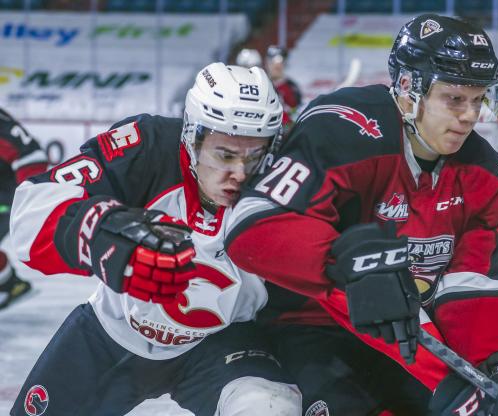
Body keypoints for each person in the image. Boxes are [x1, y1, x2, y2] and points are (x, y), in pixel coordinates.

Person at [225, 14, 498, 415]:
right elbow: (252, 228)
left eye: (477, 99)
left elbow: (471, 293)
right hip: (305, 323)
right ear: (407, 90)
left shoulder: (486, 176)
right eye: (454, 98)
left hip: (402, 335)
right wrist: (344, 265)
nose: (469, 115)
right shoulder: (346, 130)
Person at [9, 63, 301, 415]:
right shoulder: (147, 145)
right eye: (224, 154)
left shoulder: (289, 175)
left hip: (221, 345)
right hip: (110, 335)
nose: (239, 173)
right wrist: (101, 233)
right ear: (192, 137)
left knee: (270, 408)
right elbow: (31, 208)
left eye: (254, 156)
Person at [0, 108, 48, 310]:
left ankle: (11, 284)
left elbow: (33, 156)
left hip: (7, 194)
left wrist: (26, 200)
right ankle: (11, 283)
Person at [265, 45, 302, 129]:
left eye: (279, 64)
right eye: (271, 63)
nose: (276, 67)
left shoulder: (292, 88)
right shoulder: (262, 85)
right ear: (267, 63)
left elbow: (297, 112)